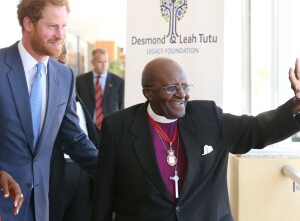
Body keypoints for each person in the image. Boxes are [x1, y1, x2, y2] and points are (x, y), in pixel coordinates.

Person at [91, 57, 300, 221]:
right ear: (148, 93)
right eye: (171, 88)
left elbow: (256, 130)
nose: (183, 94)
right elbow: (103, 197)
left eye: (185, 86)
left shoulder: (207, 116)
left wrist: (296, 106)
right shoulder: (118, 126)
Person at [0, 0, 98, 221]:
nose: (60, 35)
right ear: (28, 24)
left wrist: (116, 173)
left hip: (41, 206)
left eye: (64, 26)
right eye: (52, 26)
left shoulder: (64, 76)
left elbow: (74, 138)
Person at [49, 45, 99, 221]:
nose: (62, 59)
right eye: (57, 54)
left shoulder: (69, 84)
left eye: (64, 54)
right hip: (54, 172)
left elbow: (79, 136)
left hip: (84, 169)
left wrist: (105, 170)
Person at [76, 48, 125, 133]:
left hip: (110, 126)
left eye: (106, 61)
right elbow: (76, 104)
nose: (104, 65)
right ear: (92, 62)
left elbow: (121, 106)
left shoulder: (118, 81)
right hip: (87, 127)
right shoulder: (81, 80)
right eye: (100, 62)